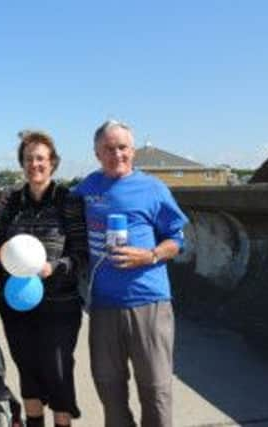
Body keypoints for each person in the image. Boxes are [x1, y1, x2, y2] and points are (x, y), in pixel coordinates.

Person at [72, 120, 188, 427]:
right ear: (97, 153)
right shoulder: (87, 187)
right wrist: (14, 197)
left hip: (149, 302)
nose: (117, 154)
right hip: (104, 306)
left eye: (122, 147)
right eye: (108, 149)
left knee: (156, 391)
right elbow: (53, 205)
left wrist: (149, 255)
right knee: (109, 390)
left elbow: (177, 240)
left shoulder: (153, 188)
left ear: (132, 151)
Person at [0, 130, 87, 427]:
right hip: (17, 303)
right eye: (29, 159)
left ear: (52, 162)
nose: (35, 164)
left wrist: (54, 267)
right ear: (22, 163)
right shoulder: (11, 201)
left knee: (57, 372)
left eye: (41, 158)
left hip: (60, 304)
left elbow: (81, 254)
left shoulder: (68, 200)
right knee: (27, 371)